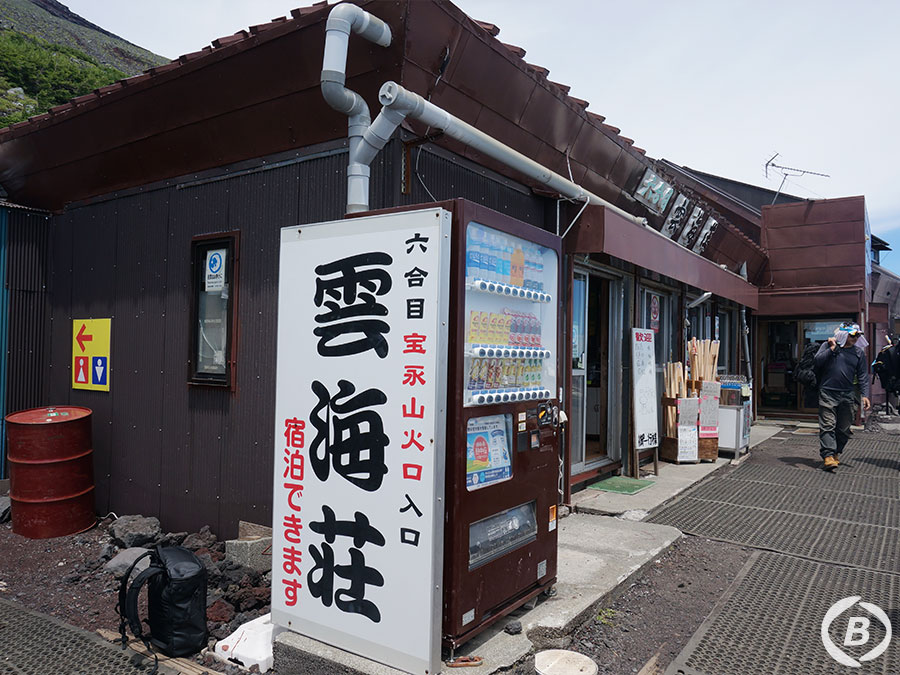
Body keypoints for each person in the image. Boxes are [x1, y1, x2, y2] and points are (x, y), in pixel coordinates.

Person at [814, 322, 871, 470]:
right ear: (844, 334)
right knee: (828, 425)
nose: (856, 338)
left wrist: (864, 395)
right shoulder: (828, 346)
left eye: (858, 335)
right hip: (827, 391)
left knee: (844, 428)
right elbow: (817, 362)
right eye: (853, 335)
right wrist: (832, 350)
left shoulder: (858, 353)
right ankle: (827, 455)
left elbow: (863, 375)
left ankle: (836, 452)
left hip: (848, 393)